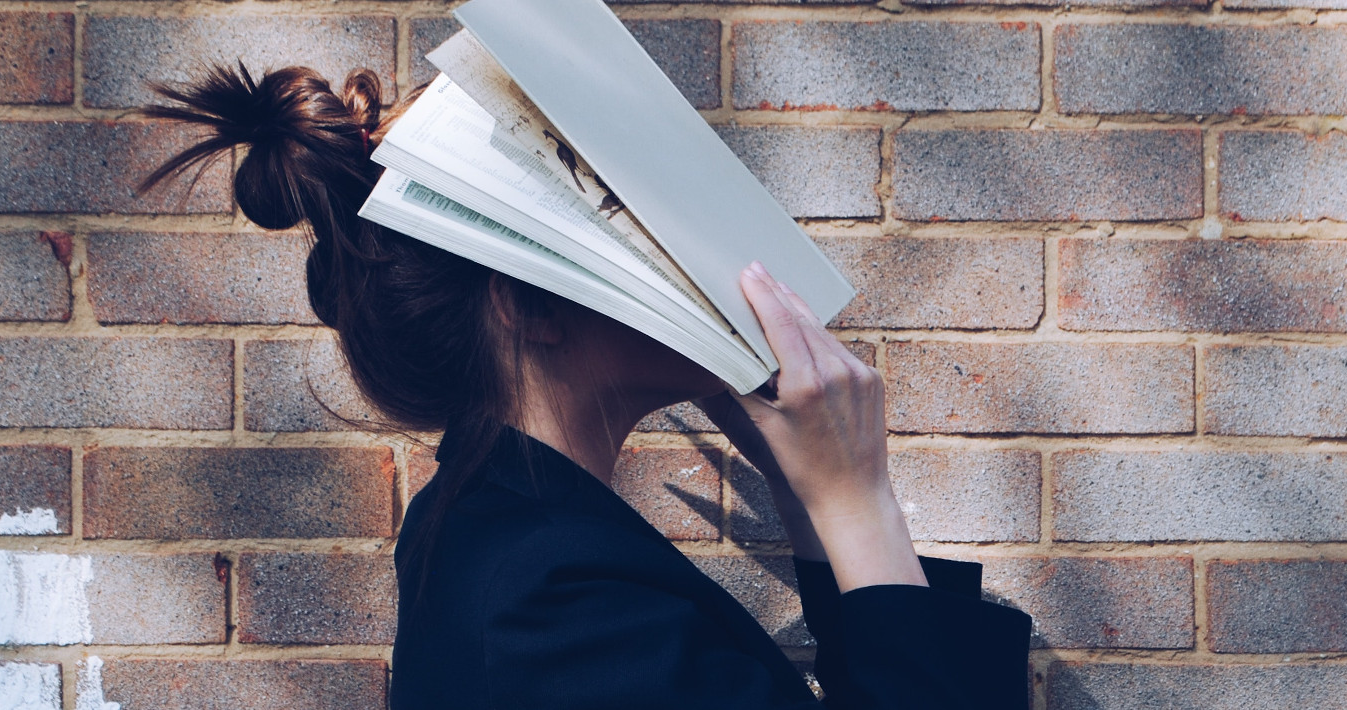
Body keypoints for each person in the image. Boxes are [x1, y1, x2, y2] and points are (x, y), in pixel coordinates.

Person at [139, 64, 1032, 709]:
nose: (680, 248)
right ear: (530, 307)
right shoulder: (549, 603)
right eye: (619, 218)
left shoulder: (515, 543)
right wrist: (858, 500)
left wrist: (809, 500)